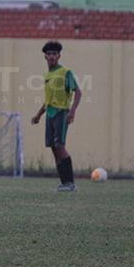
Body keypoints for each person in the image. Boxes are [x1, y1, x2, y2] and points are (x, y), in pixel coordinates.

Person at [31, 41, 81, 191]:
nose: (52, 56)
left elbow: (78, 92)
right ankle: (64, 183)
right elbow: (48, 100)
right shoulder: (46, 75)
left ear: (59, 56)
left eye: (54, 54)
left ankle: (70, 183)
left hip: (62, 113)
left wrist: (72, 111)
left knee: (60, 146)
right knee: (53, 148)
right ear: (45, 57)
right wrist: (38, 115)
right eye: (49, 54)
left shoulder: (65, 72)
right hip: (50, 114)